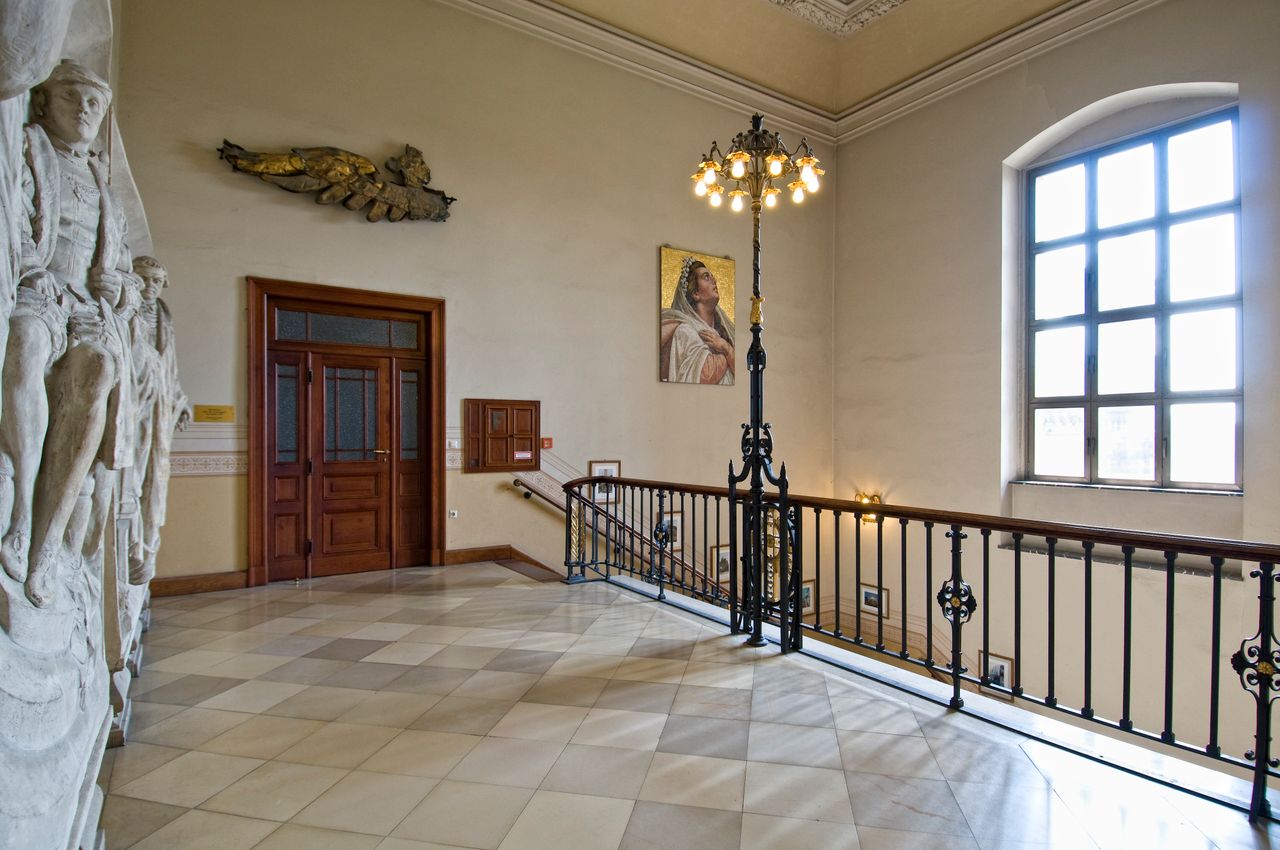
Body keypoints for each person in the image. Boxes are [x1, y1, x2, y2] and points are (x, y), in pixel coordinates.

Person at [0, 60, 134, 606]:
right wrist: (33, 267)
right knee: (26, 344)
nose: (84, 110)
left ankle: (49, 543)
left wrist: (118, 287)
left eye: (94, 104)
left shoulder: (105, 188)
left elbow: (126, 275)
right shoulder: (29, 151)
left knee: (98, 369)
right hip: (39, 290)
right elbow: (13, 218)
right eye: (72, 98)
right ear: (44, 103)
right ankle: (21, 515)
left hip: (87, 308)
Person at [128, 255, 190, 584]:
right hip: (132, 405)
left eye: (156, 280)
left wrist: (179, 399)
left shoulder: (163, 316)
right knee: (132, 472)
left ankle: (145, 548)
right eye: (143, 278)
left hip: (159, 404)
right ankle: (133, 546)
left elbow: (170, 367)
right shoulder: (124, 310)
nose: (149, 286)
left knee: (153, 475)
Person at [659, 257, 735, 384]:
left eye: (712, 276)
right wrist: (727, 352)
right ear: (696, 294)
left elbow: (744, 373)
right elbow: (704, 374)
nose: (714, 280)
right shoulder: (685, 331)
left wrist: (725, 346)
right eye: (706, 277)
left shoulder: (723, 334)